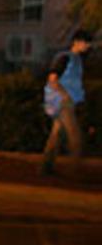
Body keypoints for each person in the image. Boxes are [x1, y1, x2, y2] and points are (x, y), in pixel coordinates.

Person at [41, 29, 93, 175]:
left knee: (56, 136)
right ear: (77, 42)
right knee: (75, 136)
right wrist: (66, 95)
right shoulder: (65, 58)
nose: (88, 46)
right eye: (86, 43)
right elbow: (52, 79)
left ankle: (46, 167)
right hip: (63, 103)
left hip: (65, 102)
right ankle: (74, 171)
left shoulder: (76, 61)